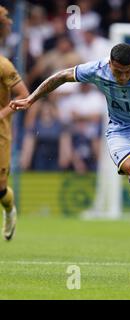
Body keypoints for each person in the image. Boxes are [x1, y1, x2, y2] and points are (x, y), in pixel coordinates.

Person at [9, 43, 130, 279]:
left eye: (127, 72)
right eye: (117, 71)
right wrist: (31, 99)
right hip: (120, 132)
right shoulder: (97, 68)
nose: (122, 77)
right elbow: (61, 76)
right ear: (110, 63)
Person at [0, 6, 30, 241]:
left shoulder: (4, 65)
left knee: (0, 189)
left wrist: (2, 114)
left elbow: (24, 96)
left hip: (1, 133)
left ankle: (9, 210)